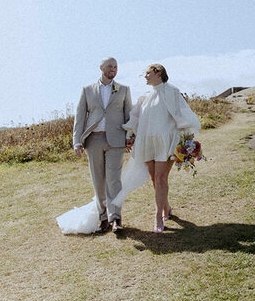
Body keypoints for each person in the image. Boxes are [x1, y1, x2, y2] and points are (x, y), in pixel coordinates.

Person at [123, 64, 201, 233]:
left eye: (147, 73)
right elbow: (135, 117)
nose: (145, 76)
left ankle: (158, 215)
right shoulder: (144, 96)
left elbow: (182, 113)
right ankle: (167, 207)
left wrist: (186, 138)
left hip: (166, 142)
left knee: (160, 178)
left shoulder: (171, 91)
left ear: (158, 73)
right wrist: (130, 135)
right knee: (154, 179)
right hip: (147, 142)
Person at [71, 57, 133, 233]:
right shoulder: (87, 90)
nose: (113, 69)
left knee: (114, 180)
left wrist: (130, 137)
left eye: (115, 67)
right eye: (109, 66)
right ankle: (103, 217)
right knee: (98, 180)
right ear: (101, 68)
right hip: (94, 140)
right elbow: (80, 117)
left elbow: (129, 115)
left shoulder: (124, 89)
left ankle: (116, 218)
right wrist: (77, 141)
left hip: (116, 141)